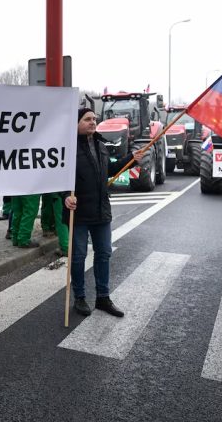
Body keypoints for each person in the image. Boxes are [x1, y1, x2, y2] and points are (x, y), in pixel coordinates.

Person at [63, 108, 145, 318]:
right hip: (78, 212)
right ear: (76, 123)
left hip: (101, 210)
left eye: (94, 119)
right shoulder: (67, 148)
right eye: (87, 119)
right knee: (79, 256)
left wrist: (131, 159)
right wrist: (65, 195)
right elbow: (55, 176)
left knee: (104, 254)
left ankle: (103, 297)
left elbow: (110, 170)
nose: (92, 122)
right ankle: (79, 298)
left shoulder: (100, 145)